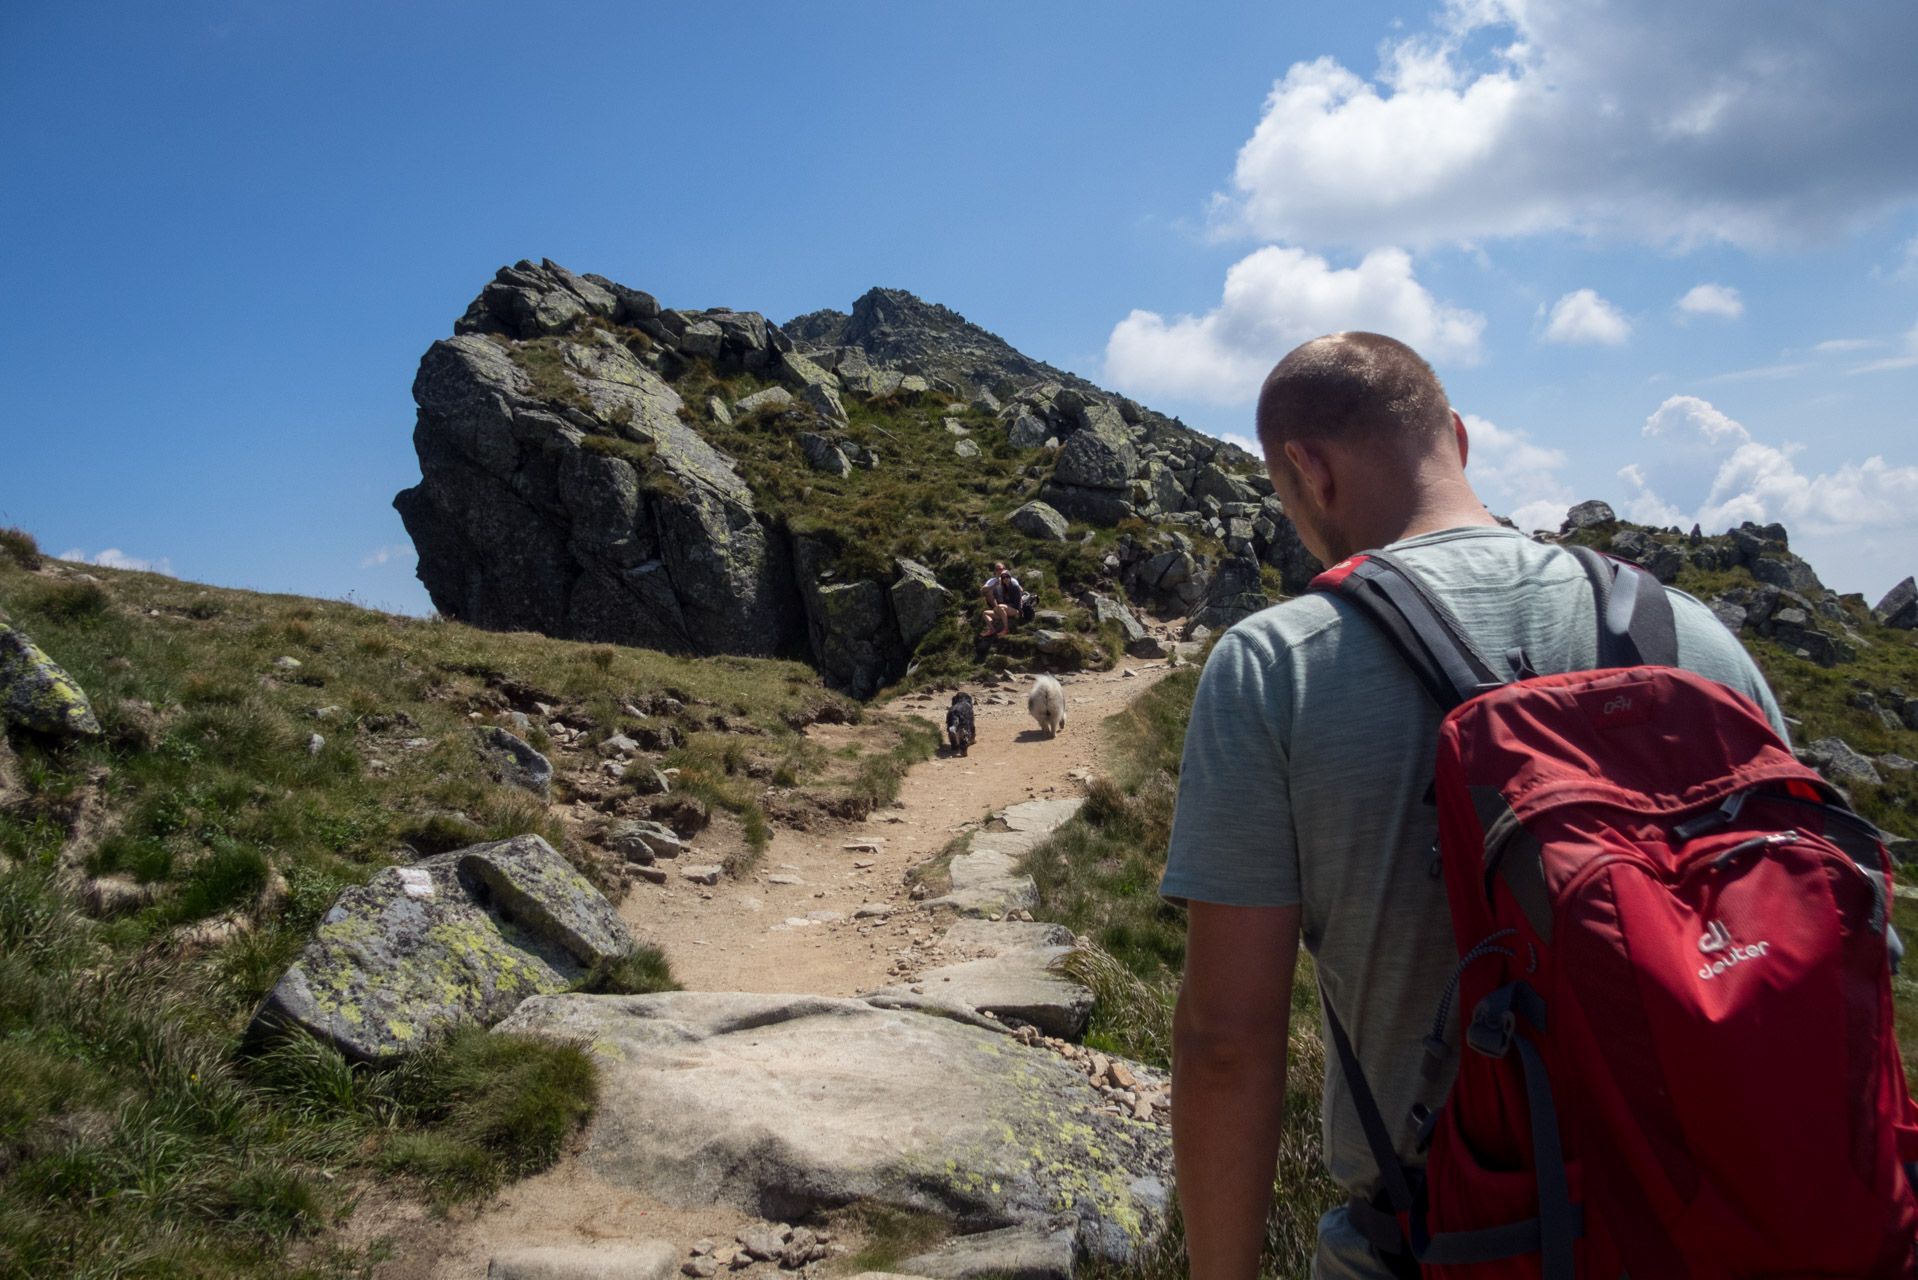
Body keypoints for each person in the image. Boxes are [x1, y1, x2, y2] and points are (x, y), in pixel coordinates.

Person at [1160, 332, 1785, 1280]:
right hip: (1730, 1228)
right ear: (1457, 435)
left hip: (1442, 1244)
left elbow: (1226, 1046)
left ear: (1306, 469)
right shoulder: (1691, 639)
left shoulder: (1274, 667)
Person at [980, 561, 1026, 637]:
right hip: (1004, 608)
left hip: (1015, 609)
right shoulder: (1004, 588)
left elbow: (1016, 603)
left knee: (1001, 607)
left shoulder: (1014, 587)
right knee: (985, 613)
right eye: (1003, 578)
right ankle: (992, 629)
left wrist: (1004, 606)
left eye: (1007, 577)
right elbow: (982, 590)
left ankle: (1006, 629)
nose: (1005, 579)